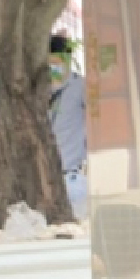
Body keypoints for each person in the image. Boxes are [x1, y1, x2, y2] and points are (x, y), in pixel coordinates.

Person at [48, 33, 87, 220]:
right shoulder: (35, 89)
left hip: (72, 177)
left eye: (61, 61)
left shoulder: (80, 87)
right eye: (52, 62)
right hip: (43, 179)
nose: (56, 67)